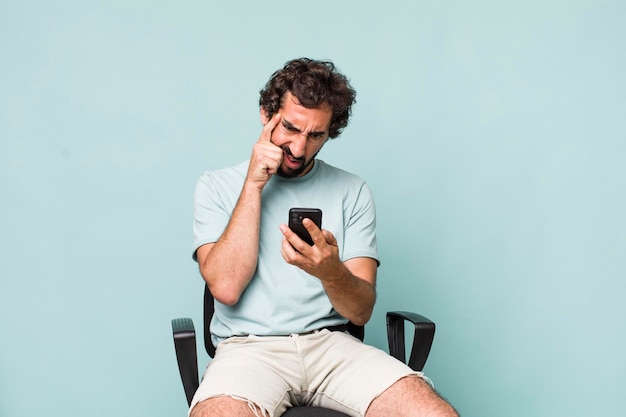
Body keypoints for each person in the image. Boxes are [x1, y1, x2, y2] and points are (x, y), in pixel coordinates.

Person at [190, 58, 458, 417]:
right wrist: (254, 184)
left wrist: (330, 271)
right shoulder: (216, 186)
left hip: (331, 347)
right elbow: (225, 287)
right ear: (266, 114)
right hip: (248, 351)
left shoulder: (352, 191)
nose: (299, 149)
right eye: (290, 128)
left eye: (315, 135)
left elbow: (360, 312)